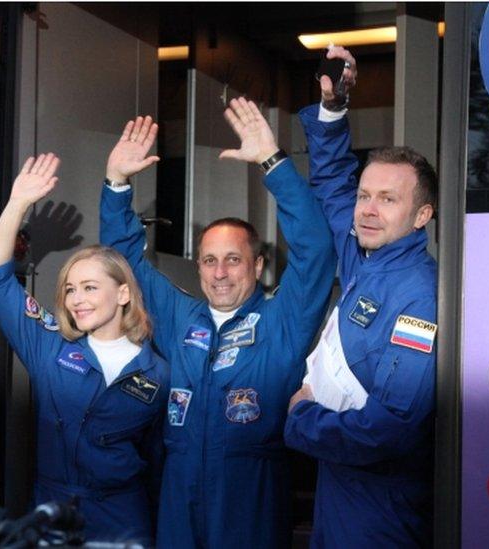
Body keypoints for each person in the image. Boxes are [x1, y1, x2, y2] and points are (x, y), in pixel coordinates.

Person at [99, 99, 336, 548]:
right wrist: (116, 183)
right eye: (209, 260)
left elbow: (316, 251)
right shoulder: (179, 316)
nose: (220, 272)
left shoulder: (281, 320)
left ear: (259, 264)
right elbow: (122, 262)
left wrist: (273, 163)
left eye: (233, 260)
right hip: (179, 488)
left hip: (251, 491)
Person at [284, 46, 438, 548]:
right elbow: (331, 183)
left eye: (388, 199)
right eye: (365, 195)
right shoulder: (364, 258)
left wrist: (302, 419)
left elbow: (393, 427)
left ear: (421, 216)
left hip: (382, 508)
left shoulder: (421, 297)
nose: (368, 210)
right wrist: (333, 107)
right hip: (339, 491)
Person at [0, 153, 169, 545]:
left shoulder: (159, 373)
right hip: (54, 510)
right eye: (70, 289)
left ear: (123, 293)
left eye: (90, 287)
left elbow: (159, 461)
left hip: (124, 515)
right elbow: (2, 282)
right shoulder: (49, 347)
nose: (77, 299)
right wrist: (17, 203)